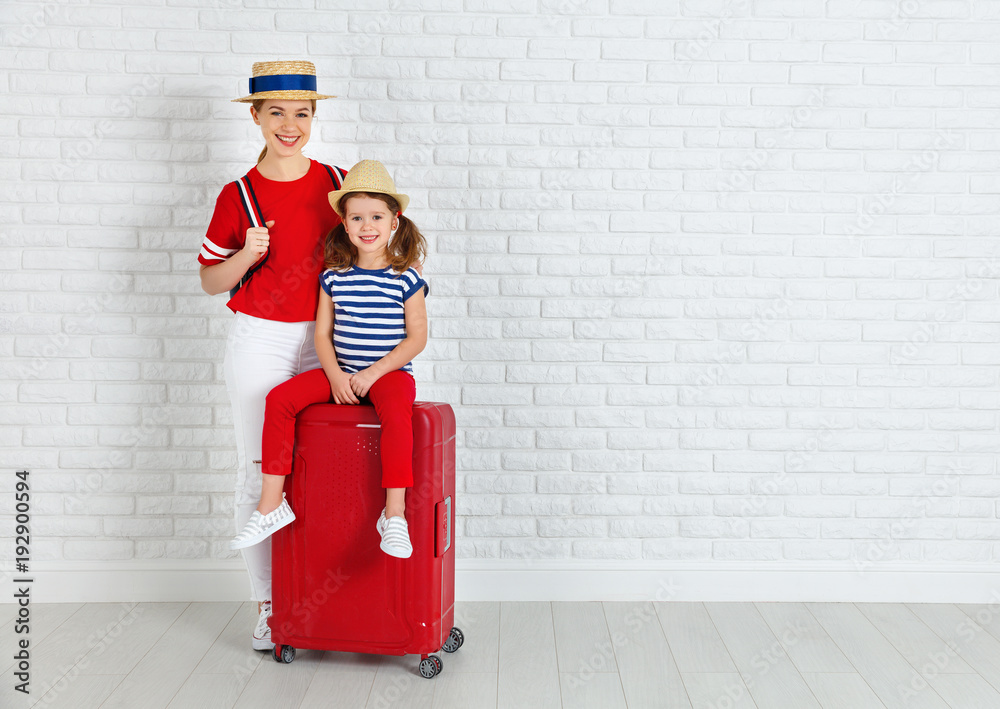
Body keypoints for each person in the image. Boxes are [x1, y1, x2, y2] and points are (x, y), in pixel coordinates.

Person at [197, 60, 345, 651]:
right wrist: (246, 256)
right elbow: (211, 282)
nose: (290, 125)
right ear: (255, 117)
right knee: (261, 471)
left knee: (326, 469)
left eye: (301, 113)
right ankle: (268, 606)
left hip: (328, 338)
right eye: (276, 112)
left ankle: (324, 598)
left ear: (314, 117)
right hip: (259, 338)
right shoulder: (238, 195)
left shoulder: (338, 181)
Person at [229, 159, 428, 560]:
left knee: (395, 411)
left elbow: (417, 338)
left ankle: (393, 515)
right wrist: (336, 376)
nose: (366, 226)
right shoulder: (333, 275)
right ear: (344, 224)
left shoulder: (406, 275)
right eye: (357, 217)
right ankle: (271, 505)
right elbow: (322, 333)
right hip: (341, 372)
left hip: (387, 374)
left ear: (395, 222)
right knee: (279, 400)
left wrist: (374, 373)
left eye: (376, 216)